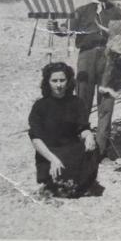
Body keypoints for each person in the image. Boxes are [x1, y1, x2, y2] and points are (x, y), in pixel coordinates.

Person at [48, 0, 121, 158]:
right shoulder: (82, 11)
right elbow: (67, 30)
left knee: (106, 104)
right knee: (83, 102)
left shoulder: (117, 12)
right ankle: (81, 145)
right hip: (87, 57)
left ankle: (100, 149)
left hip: (109, 58)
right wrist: (55, 28)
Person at [28, 62, 100, 197]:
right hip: (50, 153)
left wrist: (89, 135)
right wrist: (53, 159)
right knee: (61, 185)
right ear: (47, 82)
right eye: (54, 81)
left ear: (68, 81)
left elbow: (83, 128)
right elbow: (36, 140)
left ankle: (76, 184)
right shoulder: (40, 106)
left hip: (72, 151)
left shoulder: (77, 103)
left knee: (93, 149)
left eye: (62, 80)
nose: (59, 85)